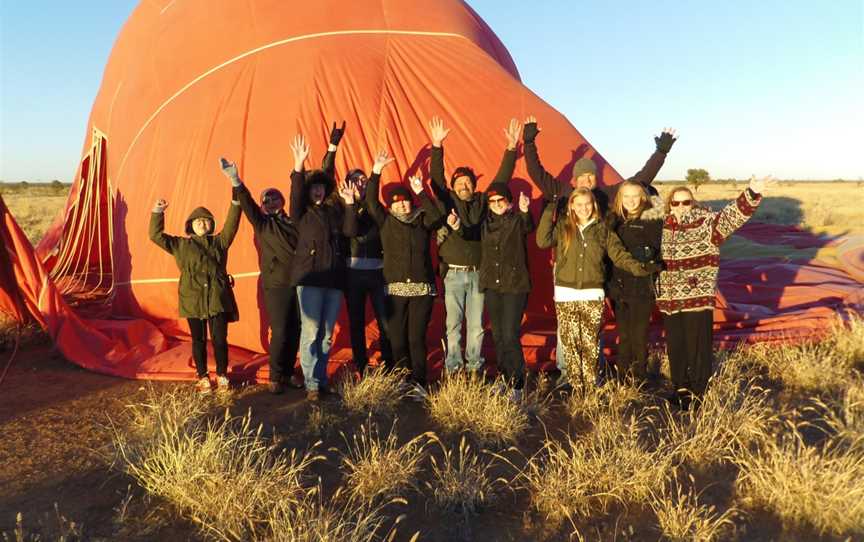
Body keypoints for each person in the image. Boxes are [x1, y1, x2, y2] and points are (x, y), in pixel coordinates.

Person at [523, 116, 676, 378]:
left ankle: (594, 371)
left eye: (591, 176)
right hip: (568, 269)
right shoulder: (562, 192)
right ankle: (567, 371)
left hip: (600, 267)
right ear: (574, 181)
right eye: (582, 177)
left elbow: (640, 180)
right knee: (568, 326)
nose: (587, 181)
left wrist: (660, 152)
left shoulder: (607, 195)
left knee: (595, 322)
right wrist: (529, 142)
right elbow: (537, 172)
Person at [657, 176, 774, 410]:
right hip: (668, 299)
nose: (681, 207)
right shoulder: (660, 226)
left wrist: (751, 193)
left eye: (686, 202)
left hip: (696, 296)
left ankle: (698, 392)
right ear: (669, 204)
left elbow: (732, 217)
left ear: (693, 203)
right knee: (676, 345)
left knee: (698, 345)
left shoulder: (706, 223)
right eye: (676, 203)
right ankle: (680, 388)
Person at [536, 188, 658, 395]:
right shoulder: (564, 227)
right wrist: (550, 208)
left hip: (592, 294)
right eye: (579, 204)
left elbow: (618, 255)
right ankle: (576, 388)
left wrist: (641, 268)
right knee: (571, 345)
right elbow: (542, 240)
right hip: (566, 293)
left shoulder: (603, 230)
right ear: (572, 206)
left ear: (593, 205)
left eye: (587, 204)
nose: (584, 208)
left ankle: (591, 387)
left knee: (590, 344)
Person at [426, 116, 519, 374]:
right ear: (453, 187)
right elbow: (435, 178)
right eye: (459, 182)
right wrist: (437, 145)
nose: (464, 185)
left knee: (476, 326)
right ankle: (454, 368)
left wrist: (511, 148)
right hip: (453, 274)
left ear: (474, 186)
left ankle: (474, 368)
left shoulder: (482, 204)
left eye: (468, 182)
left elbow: (502, 177)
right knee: (453, 325)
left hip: (479, 273)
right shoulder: (448, 202)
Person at [220, 155, 303, 394]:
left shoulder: (294, 222)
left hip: (298, 282)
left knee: (296, 328)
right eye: (267, 199)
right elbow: (247, 205)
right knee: (279, 330)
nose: (271, 201)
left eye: (275, 197)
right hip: (276, 284)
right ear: (263, 205)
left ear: (282, 201)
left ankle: (288, 371)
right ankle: (276, 375)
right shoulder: (262, 223)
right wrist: (235, 180)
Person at [364, 150, 445, 392]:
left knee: (415, 338)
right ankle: (402, 379)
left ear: (411, 201)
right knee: (397, 338)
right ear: (391, 205)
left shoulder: (422, 220)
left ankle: (419, 382)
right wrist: (376, 171)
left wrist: (421, 191)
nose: (400, 203)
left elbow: (437, 217)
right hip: (395, 288)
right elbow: (370, 202)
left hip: (422, 289)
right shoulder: (386, 221)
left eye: (404, 199)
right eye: (395, 201)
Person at [148, 187, 241, 394]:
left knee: (219, 339)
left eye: (206, 220)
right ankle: (203, 376)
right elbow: (155, 235)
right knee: (198, 340)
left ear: (211, 224)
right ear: (190, 225)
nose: (202, 223)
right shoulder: (180, 244)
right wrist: (157, 212)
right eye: (198, 221)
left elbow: (232, 225)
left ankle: (222, 375)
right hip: (192, 298)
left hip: (217, 297)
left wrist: (236, 202)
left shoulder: (220, 242)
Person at [289, 133, 358, 402]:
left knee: (327, 335)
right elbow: (295, 193)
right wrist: (299, 166)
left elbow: (350, 231)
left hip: (333, 279)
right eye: (312, 187)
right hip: (310, 279)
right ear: (307, 190)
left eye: (321, 187)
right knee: (311, 331)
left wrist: (350, 205)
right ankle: (311, 383)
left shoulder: (334, 212)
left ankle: (321, 378)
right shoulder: (301, 213)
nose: (317, 190)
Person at [456, 183, 534, 401]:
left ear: (509, 202)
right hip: (492, 285)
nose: (498, 205)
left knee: (510, 335)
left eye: (502, 201)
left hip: (514, 285)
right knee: (498, 335)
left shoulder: (517, 220)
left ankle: (517, 385)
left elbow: (529, 226)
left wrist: (526, 210)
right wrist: (455, 225)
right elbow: (467, 233)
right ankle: (504, 377)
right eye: (493, 201)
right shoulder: (484, 225)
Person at [606, 181, 666, 381]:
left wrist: (651, 263)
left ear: (642, 197)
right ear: (619, 199)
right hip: (619, 286)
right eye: (626, 196)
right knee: (624, 335)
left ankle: (639, 377)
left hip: (642, 286)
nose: (631, 201)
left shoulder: (652, 218)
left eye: (635, 196)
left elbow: (659, 249)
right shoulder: (614, 220)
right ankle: (623, 376)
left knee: (639, 334)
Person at [342, 167, 394, 376]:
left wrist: (376, 173)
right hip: (353, 273)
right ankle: (361, 365)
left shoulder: (375, 206)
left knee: (386, 322)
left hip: (378, 272)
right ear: (347, 184)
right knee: (356, 322)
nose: (360, 183)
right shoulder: (343, 206)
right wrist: (350, 203)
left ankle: (391, 364)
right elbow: (351, 230)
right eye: (355, 180)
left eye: (364, 180)